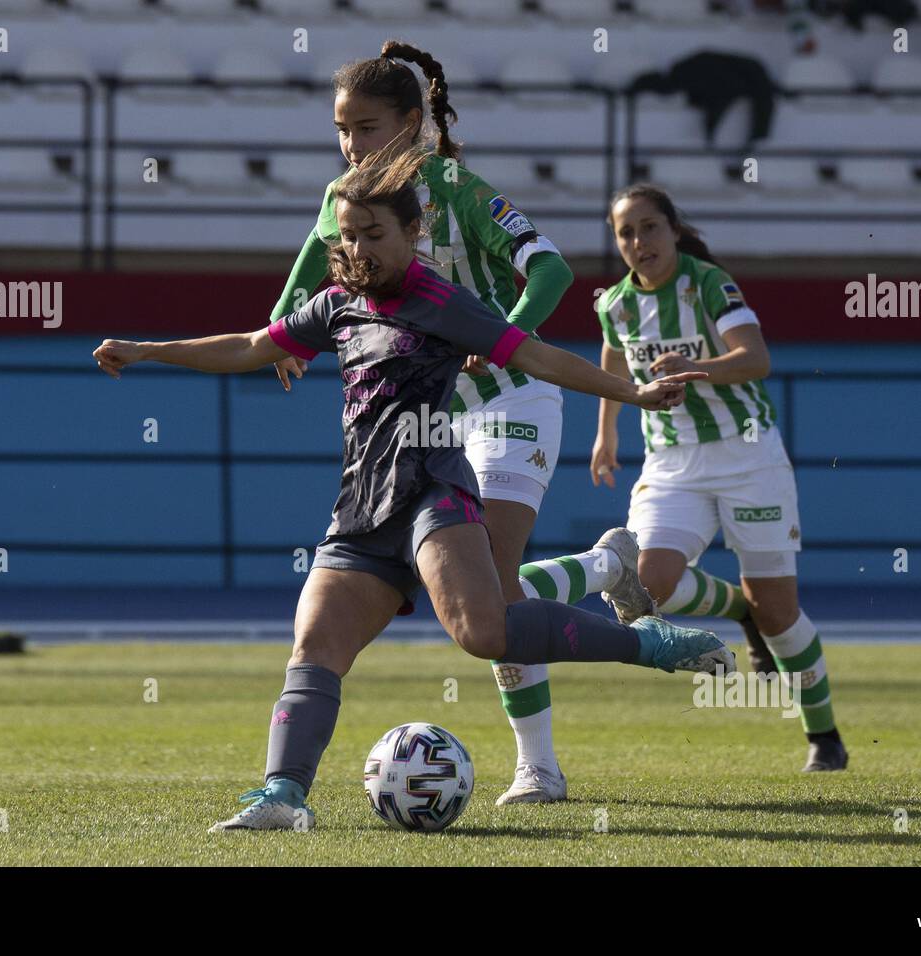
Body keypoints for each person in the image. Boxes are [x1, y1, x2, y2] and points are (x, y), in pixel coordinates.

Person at [92, 146, 736, 831]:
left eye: (374, 234)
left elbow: (539, 355)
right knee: (314, 648)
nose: (359, 247)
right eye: (347, 234)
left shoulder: (440, 301)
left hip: (435, 490)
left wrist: (632, 394)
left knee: (484, 633)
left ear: (411, 234)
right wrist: (149, 350)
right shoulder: (336, 304)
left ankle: (650, 644)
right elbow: (254, 345)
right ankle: (282, 796)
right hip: (363, 506)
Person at [267, 40, 665, 806]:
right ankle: (605, 571)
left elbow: (548, 266)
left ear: (414, 124)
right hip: (435, 408)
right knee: (487, 593)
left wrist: (504, 336)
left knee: (494, 581)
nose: (353, 145)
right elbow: (307, 276)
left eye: (368, 127)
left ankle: (538, 767)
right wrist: (284, 332)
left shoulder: (455, 186)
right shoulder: (342, 196)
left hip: (511, 391)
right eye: (343, 129)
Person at [591, 183, 848, 772]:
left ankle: (825, 736)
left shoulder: (709, 283)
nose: (638, 242)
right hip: (672, 465)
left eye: (649, 227)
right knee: (641, 589)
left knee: (779, 611)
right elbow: (612, 356)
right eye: (625, 233)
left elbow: (756, 358)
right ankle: (737, 608)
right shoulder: (616, 305)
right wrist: (606, 431)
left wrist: (695, 367)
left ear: (673, 229)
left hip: (746, 457)